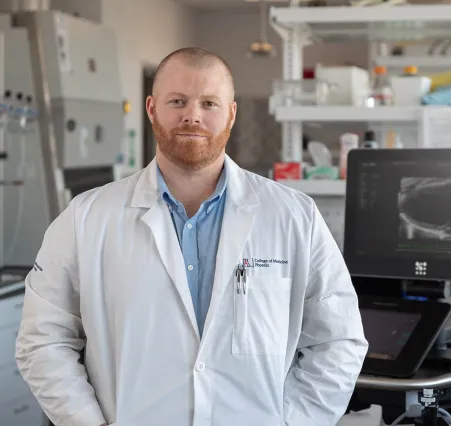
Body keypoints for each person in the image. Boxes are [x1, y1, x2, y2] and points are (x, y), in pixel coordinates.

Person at [15, 46, 368, 426]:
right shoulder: (85, 219)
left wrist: (296, 421)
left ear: (231, 114)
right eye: (177, 100)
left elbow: (338, 340)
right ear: (151, 109)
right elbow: (43, 340)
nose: (192, 116)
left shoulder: (294, 216)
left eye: (209, 103)